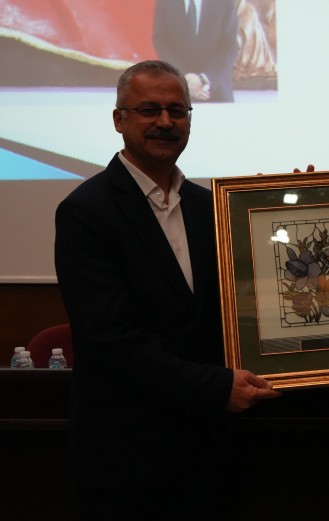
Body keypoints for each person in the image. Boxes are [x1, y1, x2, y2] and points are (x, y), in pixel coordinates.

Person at [54, 60, 280, 520]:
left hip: (210, 452)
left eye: (177, 111)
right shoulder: (86, 211)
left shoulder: (209, 207)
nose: (165, 121)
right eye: (148, 110)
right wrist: (215, 387)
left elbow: (242, 305)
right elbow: (110, 340)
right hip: (128, 456)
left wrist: (296, 206)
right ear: (119, 120)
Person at [152, 0, 239, 102]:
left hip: (216, 92)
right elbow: (161, 42)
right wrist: (184, 78)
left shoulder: (224, 2)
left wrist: (205, 79)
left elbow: (230, 45)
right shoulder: (165, 2)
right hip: (176, 92)